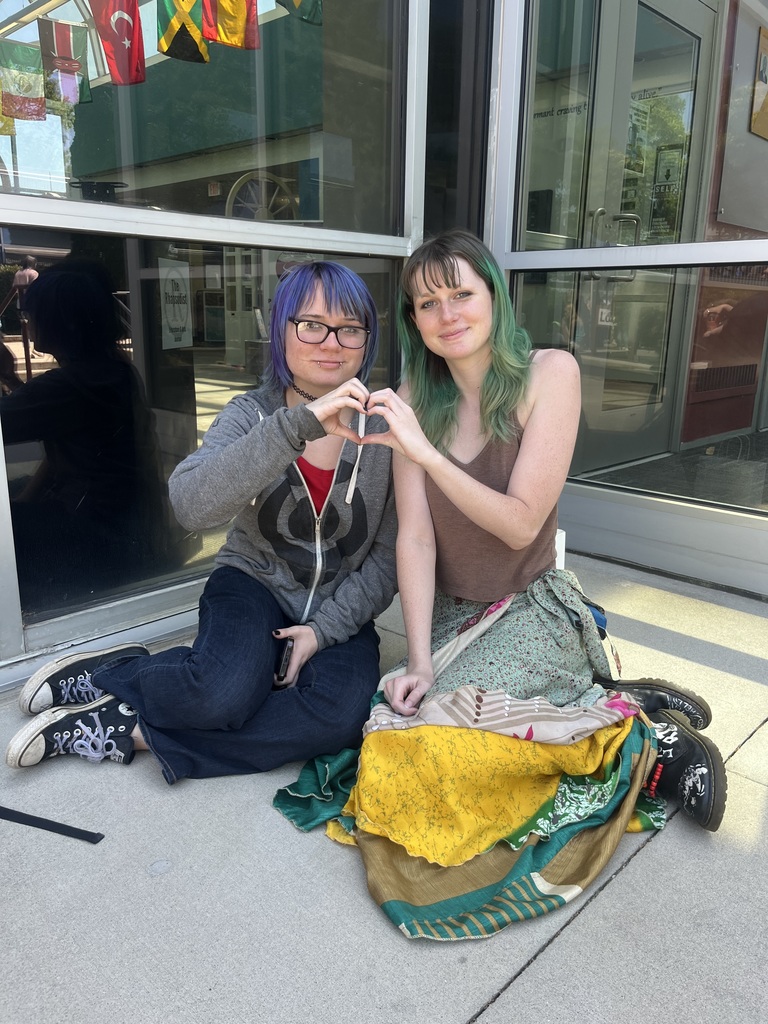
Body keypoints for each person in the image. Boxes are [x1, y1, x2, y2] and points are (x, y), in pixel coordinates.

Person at [276, 231, 726, 940]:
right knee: (391, 747)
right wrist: (419, 658)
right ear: (413, 321)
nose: (447, 313)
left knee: (454, 757)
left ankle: (642, 744)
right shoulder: (412, 400)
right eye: (427, 303)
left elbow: (520, 526)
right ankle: (601, 696)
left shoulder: (552, 373)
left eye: (462, 293)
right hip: (454, 621)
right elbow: (417, 541)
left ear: (495, 296)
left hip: (531, 607)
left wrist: (420, 449)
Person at [6, 260, 397, 782]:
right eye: (311, 324)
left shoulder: (386, 431)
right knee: (221, 692)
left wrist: (324, 631)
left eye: (350, 328)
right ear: (281, 331)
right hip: (250, 584)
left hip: (341, 605)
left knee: (341, 718)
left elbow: (391, 555)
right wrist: (299, 425)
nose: (331, 342)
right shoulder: (249, 414)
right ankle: (119, 673)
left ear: (367, 340)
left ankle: (129, 723)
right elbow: (191, 506)